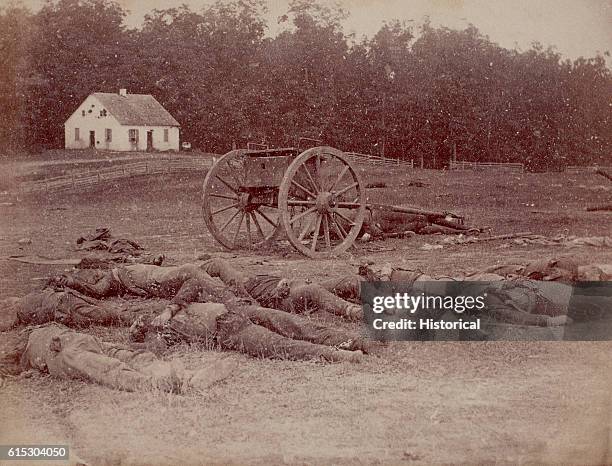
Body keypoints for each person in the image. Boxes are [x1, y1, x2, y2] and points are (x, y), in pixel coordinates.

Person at [1, 324, 235, 393]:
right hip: (60, 353)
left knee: (130, 355)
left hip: (78, 339)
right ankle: (156, 385)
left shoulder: (31, 327)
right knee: (108, 368)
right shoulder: (23, 348)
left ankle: (188, 377)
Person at [131, 301, 367, 363]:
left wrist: (169, 309)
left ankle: (357, 342)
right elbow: (156, 351)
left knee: (296, 325)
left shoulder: (176, 305)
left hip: (237, 313)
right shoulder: (161, 331)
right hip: (229, 329)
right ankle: (342, 355)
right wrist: (140, 339)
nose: (140, 322)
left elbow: (193, 283)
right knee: (281, 345)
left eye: (139, 320)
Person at [0, 287, 140, 332]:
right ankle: (133, 318)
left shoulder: (21, 308)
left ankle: (135, 320)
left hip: (62, 304)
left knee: (100, 315)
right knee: (101, 311)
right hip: (66, 298)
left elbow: (45, 312)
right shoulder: (26, 301)